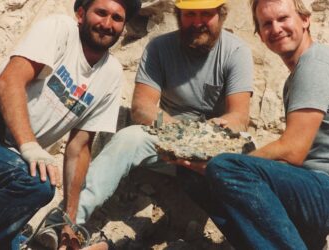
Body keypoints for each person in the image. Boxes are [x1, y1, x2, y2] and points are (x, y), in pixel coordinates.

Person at [173, 0, 329, 249]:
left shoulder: (316, 62)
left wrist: (226, 164)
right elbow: (288, 161)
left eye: (283, 18)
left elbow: (292, 151)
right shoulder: (297, 77)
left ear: (305, 20)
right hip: (325, 193)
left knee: (225, 167)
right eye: (267, 23)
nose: (276, 28)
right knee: (198, 175)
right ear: (261, 36)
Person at [66, 0, 253, 239]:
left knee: (248, 150)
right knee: (128, 138)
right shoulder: (159, 48)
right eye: (190, 14)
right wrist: (182, 136)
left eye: (206, 14)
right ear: (178, 15)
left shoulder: (236, 52)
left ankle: (248, 238)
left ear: (221, 15)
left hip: (212, 149)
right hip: (167, 142)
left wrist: (206, 138)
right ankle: (70, 218)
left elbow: (239, 116)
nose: (197, 22)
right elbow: (142, 107)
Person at [0, 0, 141, 249]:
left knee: (15, 236)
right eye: (100, 13)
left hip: (11, 162)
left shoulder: (111, 74)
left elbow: (79, 148)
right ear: (81, 14)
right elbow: (9, 82)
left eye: (117, 18)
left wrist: (69, 220)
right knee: (36, 184)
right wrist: (29, 146)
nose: (107, 24)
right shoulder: (60, 29)